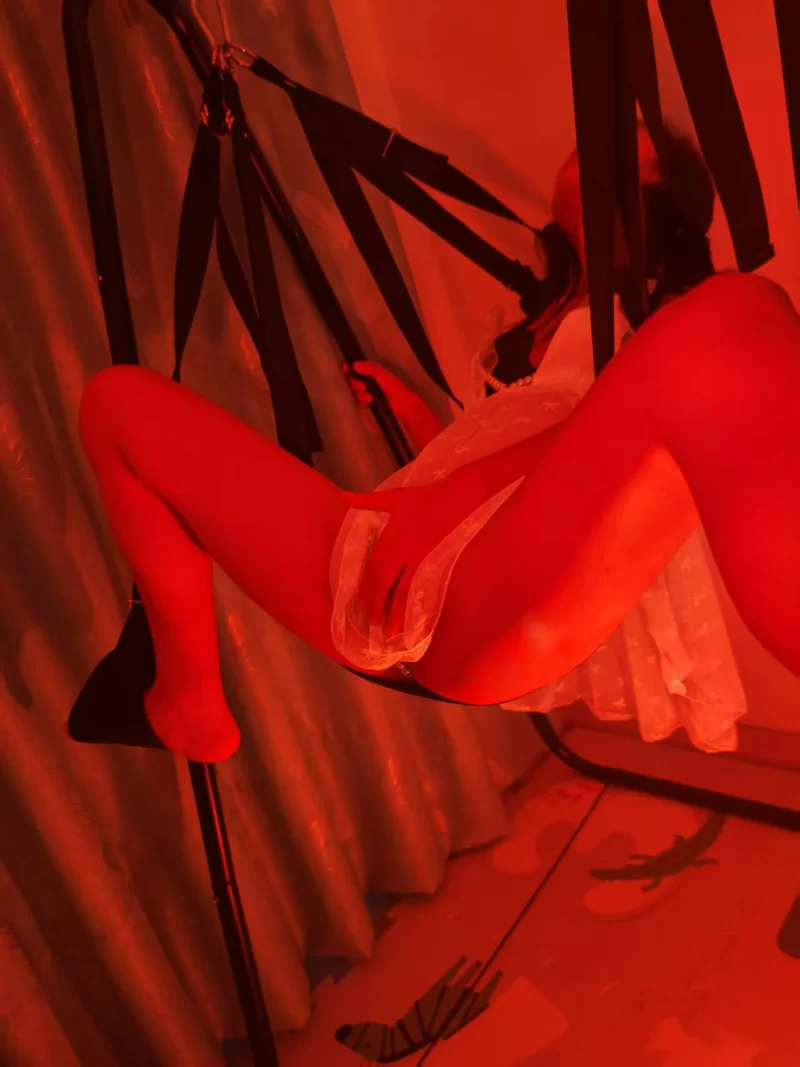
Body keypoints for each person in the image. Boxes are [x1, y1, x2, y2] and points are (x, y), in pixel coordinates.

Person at [72, 128, 800, 764]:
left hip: (484, 570)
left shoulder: (667, 316)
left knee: (738, 311)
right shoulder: (553, 313)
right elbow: (496, 463)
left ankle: (187, 693)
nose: (589, 146)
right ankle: (190, 696)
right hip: (433, 569)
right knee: (115, 403)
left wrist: (449, 496)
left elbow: (583, 453)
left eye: (617, 147)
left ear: (666, 198)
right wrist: (418, 420)